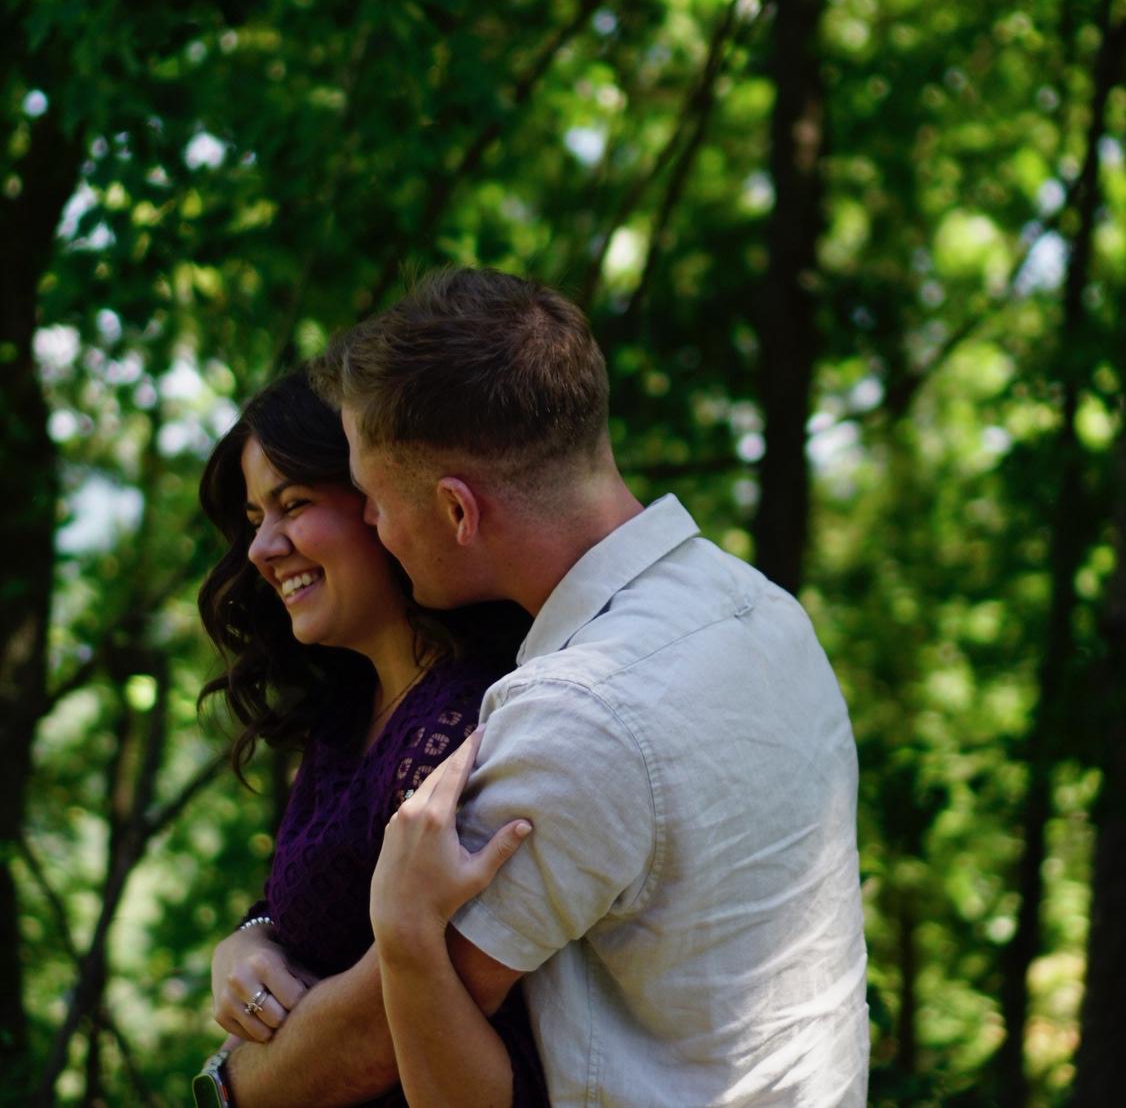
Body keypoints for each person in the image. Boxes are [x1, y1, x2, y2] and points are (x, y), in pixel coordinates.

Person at [312, 267, 870, 1106]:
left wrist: (403, 929)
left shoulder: (574, 719)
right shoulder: (763, 610)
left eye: (373, 497)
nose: (369, 523)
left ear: (458, 512)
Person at [194, 368, 545, 1107]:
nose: (260, 548)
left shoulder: (465, 724)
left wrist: (222, 1087)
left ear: (380, 500)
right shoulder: (351, 708)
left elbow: (381, 1021)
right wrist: (249, 939)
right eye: (255, 517)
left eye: (293, 504)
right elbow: (303, 913)